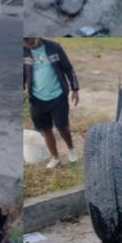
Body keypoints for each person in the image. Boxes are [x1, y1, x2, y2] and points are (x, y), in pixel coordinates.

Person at [24, 37, 80, 168]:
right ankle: (55, 158)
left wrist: (75, 89)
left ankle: (71, 149)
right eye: (26, 41)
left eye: (31, 40)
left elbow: (68, 68)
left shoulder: (54, 47)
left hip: (58, 96)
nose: (29, 43)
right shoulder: (23, 52)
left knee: (62, 127)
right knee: (45, 130)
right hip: (37, 99)